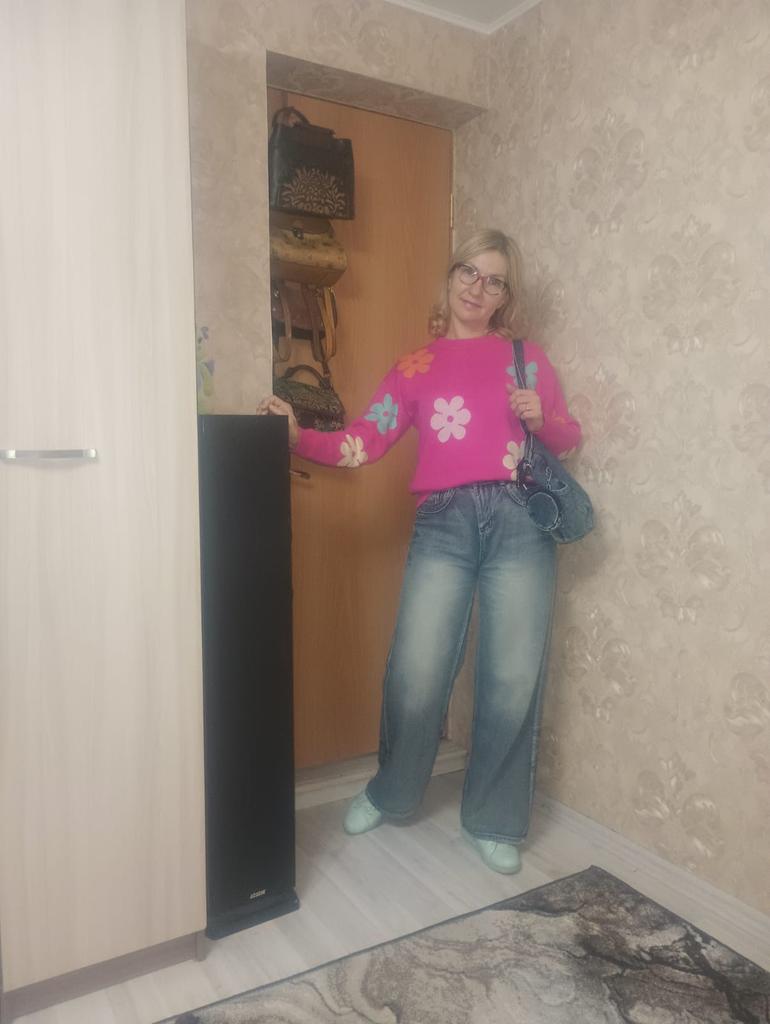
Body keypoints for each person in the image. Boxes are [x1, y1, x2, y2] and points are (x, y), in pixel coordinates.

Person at [257, 229, 582, 874]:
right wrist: (296, 437)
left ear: (505, 296)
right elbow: (363, 442)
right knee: (417, 667)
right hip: (444, 524)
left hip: (521, 523)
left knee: (512, 676)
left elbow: (567, 438)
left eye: (494, 281)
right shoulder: (415, 367)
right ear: (451, 276)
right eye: (469, 272)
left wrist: (541, 420)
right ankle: (393, 790)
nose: (477, 288)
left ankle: (494, 818)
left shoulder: (528, 361)